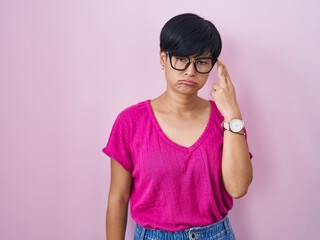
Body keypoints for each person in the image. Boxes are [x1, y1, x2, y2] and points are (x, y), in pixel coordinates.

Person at [102, 13, 253, 240]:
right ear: (163, 59)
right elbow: (118, 199)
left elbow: (238, 188)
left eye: (201, 62)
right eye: (181, 59)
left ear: (212, 66)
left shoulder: (225, 120)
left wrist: (233, 113)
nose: (190, 71)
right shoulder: (130, 122)